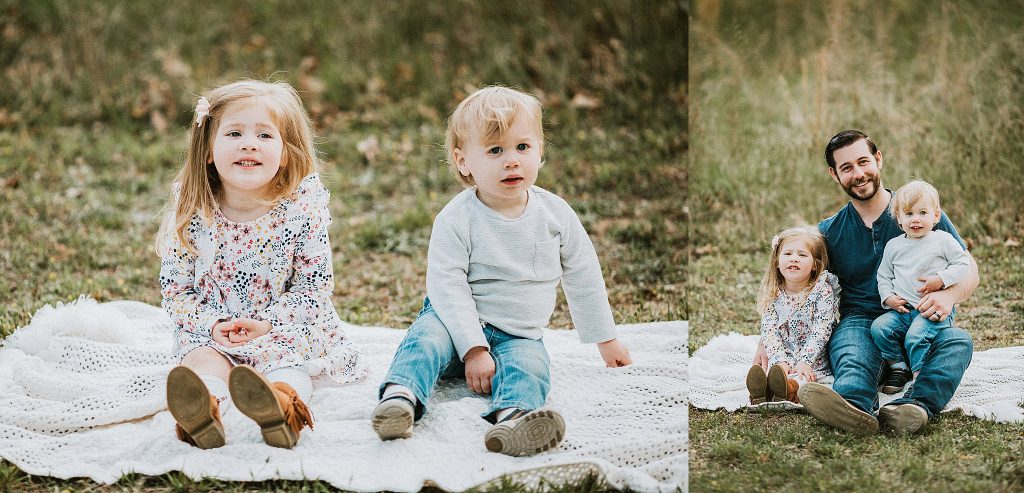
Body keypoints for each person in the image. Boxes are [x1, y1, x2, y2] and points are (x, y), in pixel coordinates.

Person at [370, 86, 632, 457]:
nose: (512, 161)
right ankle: (401, 397)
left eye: (523, 147)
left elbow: (583, 275)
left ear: (540, 150)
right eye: (495, 151)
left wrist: (605, 339)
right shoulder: (457, 218)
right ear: (464, 162)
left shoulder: (556, 215)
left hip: (518, 334)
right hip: (454, 322)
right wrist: (474, 348)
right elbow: (448, 286)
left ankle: (512, 419)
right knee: (423, 340)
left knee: (532, 367)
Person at [156, 80, 363, 449]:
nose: (248, 144)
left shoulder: (301, 211)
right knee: (203, 361)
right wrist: (213, 324)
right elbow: (176, 291)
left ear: (284, 153)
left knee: (288, 363)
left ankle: (281, 407)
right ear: (208, 150)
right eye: (234, 133)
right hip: (215, 329)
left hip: (279, 326)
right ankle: (202, 414)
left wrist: (269, 323)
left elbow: (313, 289)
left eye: (264, 136)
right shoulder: (193, 211)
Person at [755, 130, 977, 435]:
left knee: (958, 343)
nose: (858, 174)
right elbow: (794, 284)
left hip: (922, 318)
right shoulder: (829, 232)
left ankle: (912, 408)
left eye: (863, 162)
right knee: (850, 353)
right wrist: (765, 340)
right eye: (847, 168)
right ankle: (854, 407)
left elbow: (969, 268)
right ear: (835, 175)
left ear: (878, 159)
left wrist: (949, 297)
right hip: (862, 321)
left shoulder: (918, 210)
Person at [871, 180, 971, 394]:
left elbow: (963, 264)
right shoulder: (894, 246)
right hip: (903, 309)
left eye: (923, 213)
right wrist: (888, 297)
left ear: (936, 216)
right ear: (898, 218)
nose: (916, 219)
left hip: (931, 309)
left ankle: (920, 376)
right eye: (908, 214)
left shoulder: (942, 240)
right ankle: (899, 368)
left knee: (916, 336)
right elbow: (884, 275)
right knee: (879, 328)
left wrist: (941, 279)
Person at [746, 226, 839, 405]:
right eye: (787, 254)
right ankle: (761, 390)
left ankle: (789, 389)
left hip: (812, 359)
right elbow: (769, 330)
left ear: (815, 265)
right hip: (783, 355)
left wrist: (805, 361)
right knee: (775, 372)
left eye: (802, 255)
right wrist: (779, 360)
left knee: (803, 379)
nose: (794, 258)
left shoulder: (822, 290)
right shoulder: (773, 292)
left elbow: (822, 329)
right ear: (777, 261)